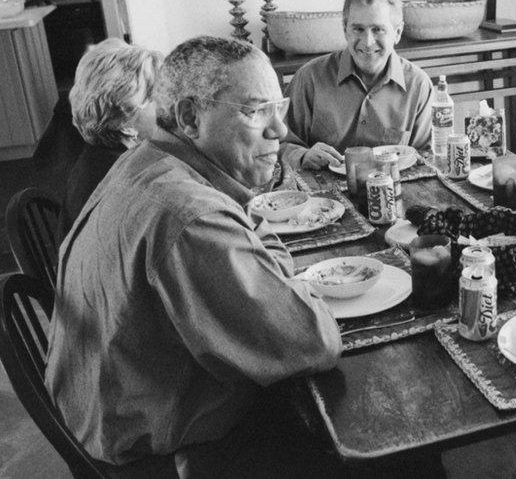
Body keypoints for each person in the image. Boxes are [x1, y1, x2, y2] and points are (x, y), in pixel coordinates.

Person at [46, 36, 343, 475]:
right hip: (157, 459)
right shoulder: (190, 217)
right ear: (189, 117)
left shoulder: (147, 161)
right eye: (255, 110)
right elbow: (312, 341)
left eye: (277, 109)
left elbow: (251, 232)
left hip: (108, 414)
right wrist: (290, 291)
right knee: (373, 444)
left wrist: (271, 275)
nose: (279, 131)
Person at [282, 0, 433, 170]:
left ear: (397, 33)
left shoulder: (418, 85)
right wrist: (303, 156)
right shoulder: (309, 78)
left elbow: (425, 156)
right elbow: (278, 145)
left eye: (378, 29)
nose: (368, 42)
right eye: (358, 29)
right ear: (345, 29)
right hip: (324, 193)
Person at [56, 38, 163, 241]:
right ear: (123, 122)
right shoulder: (125, 180)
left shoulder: (99, 156)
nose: (165, 107)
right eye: (156, 98)